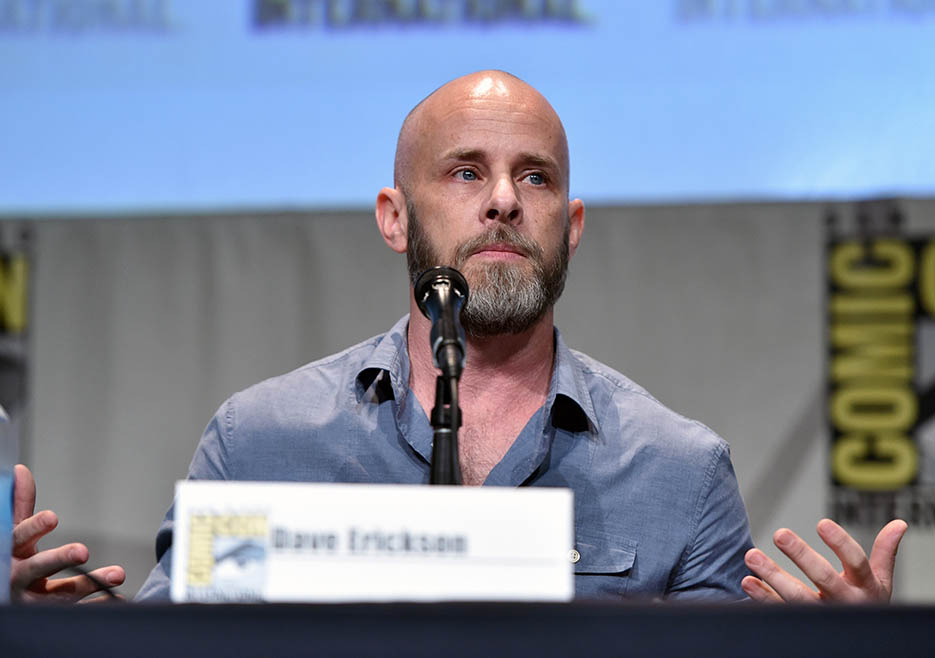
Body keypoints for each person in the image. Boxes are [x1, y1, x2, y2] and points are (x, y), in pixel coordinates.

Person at [10, 70, 907, 603]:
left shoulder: (677, 470)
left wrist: (851, 655)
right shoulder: (259, 441)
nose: (504, 200)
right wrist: (42, 631)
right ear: (394, 217)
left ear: (571, 226)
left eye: (535, 177)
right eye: (465, 172)